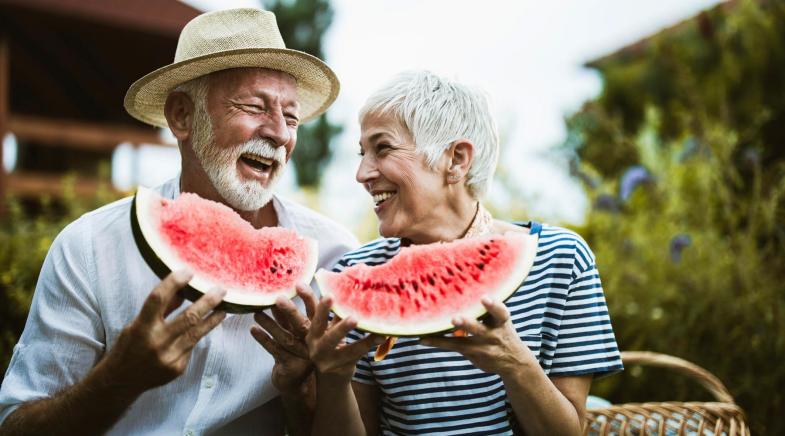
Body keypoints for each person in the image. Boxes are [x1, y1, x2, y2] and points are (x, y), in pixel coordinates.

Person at [0, 8, 357, 436]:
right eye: (254, 107)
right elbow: (16, 425)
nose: (280, 133)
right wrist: (118, 378)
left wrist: (303, 394)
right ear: (183, 117)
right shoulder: (90, 247)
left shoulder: (334, 257)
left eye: (292, 116)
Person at [270, 70, 624, 435]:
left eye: (383, 148)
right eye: (363, 153)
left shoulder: (561, 259)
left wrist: (515, 363)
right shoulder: (354, 272)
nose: (362, 173)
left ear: (456, 159)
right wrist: (333, 377)